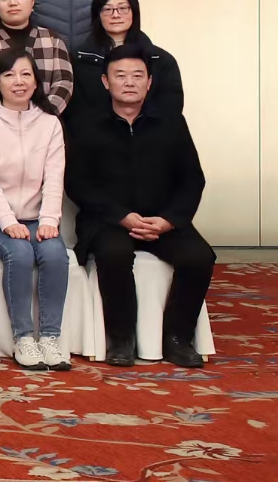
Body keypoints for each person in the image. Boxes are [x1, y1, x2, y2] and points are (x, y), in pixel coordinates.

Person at [67, 45, 212, 368]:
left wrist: (169, 220)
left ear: (149, 81)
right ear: (105, 81)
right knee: (114, 253)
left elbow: (192, 178)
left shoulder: (171, 122)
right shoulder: (85, 124)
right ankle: (121, 339)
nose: (129, 82)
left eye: (137, 75)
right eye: (120, 75)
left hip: (161, 219)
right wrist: (121, 216)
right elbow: (77, 182)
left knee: (200, 257)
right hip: (108, 220)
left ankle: (177, 339)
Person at [0, 49, 72, 372]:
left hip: (37, 218)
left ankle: (50, 338)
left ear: (36, 82)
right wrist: (8, 222)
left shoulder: (50, 123)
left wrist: (50, 219)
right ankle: (23, 338)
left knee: (55, 254)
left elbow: (55, 176)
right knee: (20, 254)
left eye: (26, 74)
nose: (19, 81)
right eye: (9, 75)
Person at [71, 0, 184, 124]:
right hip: (94, 134)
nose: (115, 15)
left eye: (123, 8)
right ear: (97, 14)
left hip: (148, 134)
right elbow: (75, 111)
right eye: (107, 9)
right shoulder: (79, 59)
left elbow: (171, 109)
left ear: (134, 12)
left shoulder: (160, 59)